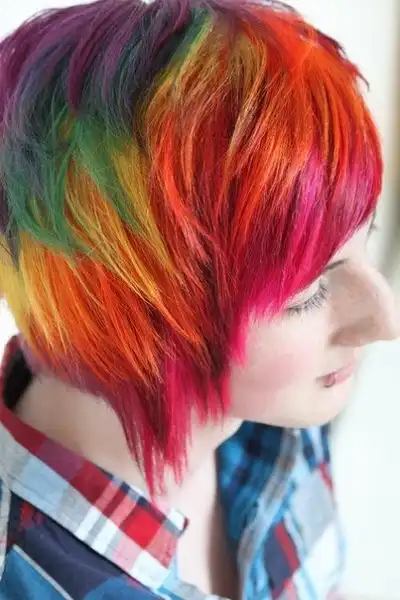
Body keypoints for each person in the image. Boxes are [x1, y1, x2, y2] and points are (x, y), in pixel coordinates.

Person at [0, 0, 398, 598]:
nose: (384, 320)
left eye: (366, 234)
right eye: (309, 289)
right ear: (131, 308)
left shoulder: (281, 417)